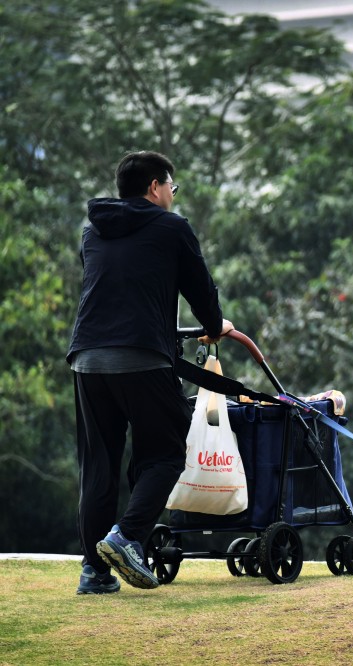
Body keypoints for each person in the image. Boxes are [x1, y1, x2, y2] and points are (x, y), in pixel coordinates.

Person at [68, 151, 233, 592]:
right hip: (143, 355)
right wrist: (216, 328)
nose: (172, 197)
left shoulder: (93, 232)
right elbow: (200, 287)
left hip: (87, 357)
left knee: (98, 467)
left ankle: (94, 573)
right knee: (163, 454)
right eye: (171, 188)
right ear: (155, 187)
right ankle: (126, 537)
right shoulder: (171, 228)